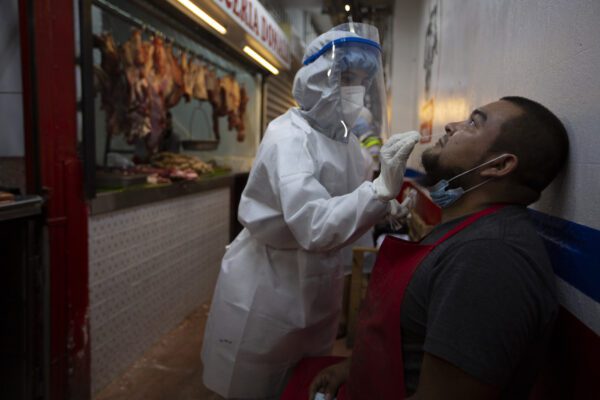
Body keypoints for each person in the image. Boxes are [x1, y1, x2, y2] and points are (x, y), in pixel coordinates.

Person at [280, 96, 569, 400]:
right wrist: (352, 367)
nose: (451, 125)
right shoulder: (467, 230)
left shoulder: (489, 258)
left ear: (499, 165)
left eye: (473, 122)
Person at [201, 23, 420, 399]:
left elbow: (349, 203)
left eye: (365, 80)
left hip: (321, 284)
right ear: (319, 78)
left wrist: (386, 209)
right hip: (269, 284)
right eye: (347, 76)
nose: (358, 90)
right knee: (254, 382)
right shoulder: (288, 136)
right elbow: (315, 226)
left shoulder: (349, 145)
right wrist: (380, 191)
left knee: (304, 378)